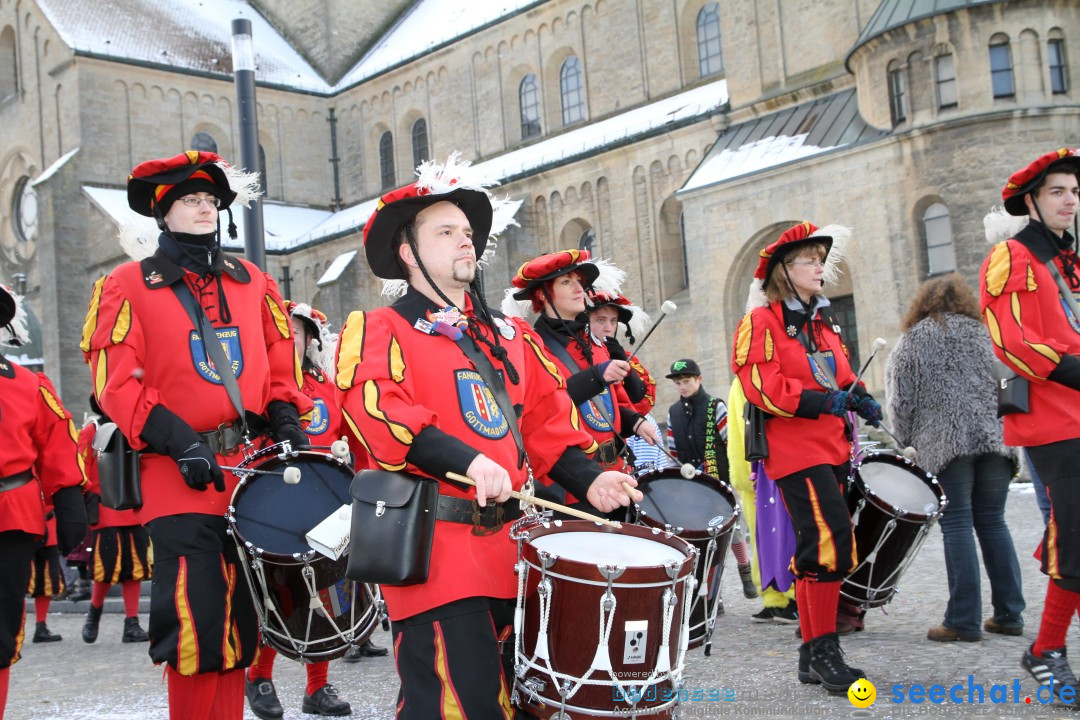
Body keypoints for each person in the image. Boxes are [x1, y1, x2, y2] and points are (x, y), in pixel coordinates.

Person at [336, 156, 640, 719]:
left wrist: (591, 480)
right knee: (458, 707)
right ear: (408, 252)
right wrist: (468, 462)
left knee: (530, 707)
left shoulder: (511, 334)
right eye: (445, 232)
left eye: (468, 233)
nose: (463, 243)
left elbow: (546, 423)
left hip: (519, 554)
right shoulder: (381, 329)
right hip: (438, 554)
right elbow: (380, 417)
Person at [81, 151, 312, 720]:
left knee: (243, 620)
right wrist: (177, 439)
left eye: (211, 201)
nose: (205, 209)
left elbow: (282, 358)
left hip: (248, 470)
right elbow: (115, 382)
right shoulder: (127, 283)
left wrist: (284, 414)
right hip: (175, 473)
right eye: (191, 200)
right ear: (164, 213)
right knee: (195, 616)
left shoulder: (252, 280)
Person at [731, 221, 881, 694]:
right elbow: (762, 387)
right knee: (831, 542)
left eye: (821, 259)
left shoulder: (823, 320)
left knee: (820, 547)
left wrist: (857, 395)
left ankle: (812, 651)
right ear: (783, 271)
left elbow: (839, 371)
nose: (821, 267)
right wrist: (823, 401)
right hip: (796, 451)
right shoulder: (761, 322)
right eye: (810, 260)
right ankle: (824, 649)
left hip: (831, 446)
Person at [978, 148, 1080, 695]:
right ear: (1033, 201)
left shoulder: (1069, 261)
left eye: (1074, 191)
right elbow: (1014, 343)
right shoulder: (1013, 257)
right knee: (1078, 535)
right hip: (1052, 417)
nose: (1070, 200)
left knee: (1075, 532)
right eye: (1058, 191)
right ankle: (1045, 650)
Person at [887, 274, 1024, 643]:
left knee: (958, 525)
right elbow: (1011, 385)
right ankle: (1010, 613)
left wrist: (906, 441)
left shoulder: (913, 341)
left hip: (945, 443)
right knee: (994, 523)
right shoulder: (988, 333)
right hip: (996, 438)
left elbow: (901, 400)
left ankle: (963, 620)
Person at [244, 301, 363, 720]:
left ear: (310, 338)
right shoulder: (256, 387)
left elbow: (351, 434)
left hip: (326, 503)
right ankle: (258, 675)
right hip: (273, 505)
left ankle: (317, 688)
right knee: (274, 595)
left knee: (327, 595)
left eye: (295, 332)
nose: (288, 339)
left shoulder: (325, 385)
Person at [0, 284, 88, 720]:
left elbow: (57, 441)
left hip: (10, 518)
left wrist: (69, 499)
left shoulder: (27, 383)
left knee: (0, 631)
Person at [504, 250, 661, 481]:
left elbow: (608, 407)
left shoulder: (594, 344)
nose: (579, 288)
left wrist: (634, 421)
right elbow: (544, 407)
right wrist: (596, 376)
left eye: (578, 281)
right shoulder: (532, 347)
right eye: (566, 282)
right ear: (543, 295)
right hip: (575, 482)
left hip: (617, 470)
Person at [665, 359, 757, 606]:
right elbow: (673, 452)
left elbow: (731, 443)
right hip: (691, 485)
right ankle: (714, 595)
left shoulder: (715, 406)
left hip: (719, 480)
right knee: (705, 541)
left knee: (734, 532)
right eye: (678, 383)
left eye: (686, 381)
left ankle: (744, 570)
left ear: (699, 380)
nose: (682, 387)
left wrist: (736, 477)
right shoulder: (673, 412)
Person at [77, 398, 151, 646]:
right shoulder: (93, 430)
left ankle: (132, 623)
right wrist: (88, 494)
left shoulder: (133, 426)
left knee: (135, 568)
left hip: (133, 507)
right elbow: (81, 464)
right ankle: (93, 613)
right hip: (105, 509)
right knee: (105, 568)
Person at [727, 377, 798, 625]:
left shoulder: (764, 376)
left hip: (768, 470)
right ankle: (772, 598)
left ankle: (792, 596)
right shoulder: (741, 381)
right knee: (761, 540)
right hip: (748, 473)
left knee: (782, 537)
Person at [585, 289, 667, 473]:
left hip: (621, 440)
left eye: (613, 321)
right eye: (601, 320)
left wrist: (625, 367)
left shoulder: (624, 357)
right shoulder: (578, 357)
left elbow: (640, 398)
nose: (608, 328)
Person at [26, 505, 66, 644]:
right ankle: (11, 630)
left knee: (46, 581)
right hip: (21, 525)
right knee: (16, 583)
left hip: (48, 525)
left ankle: (41, 627)